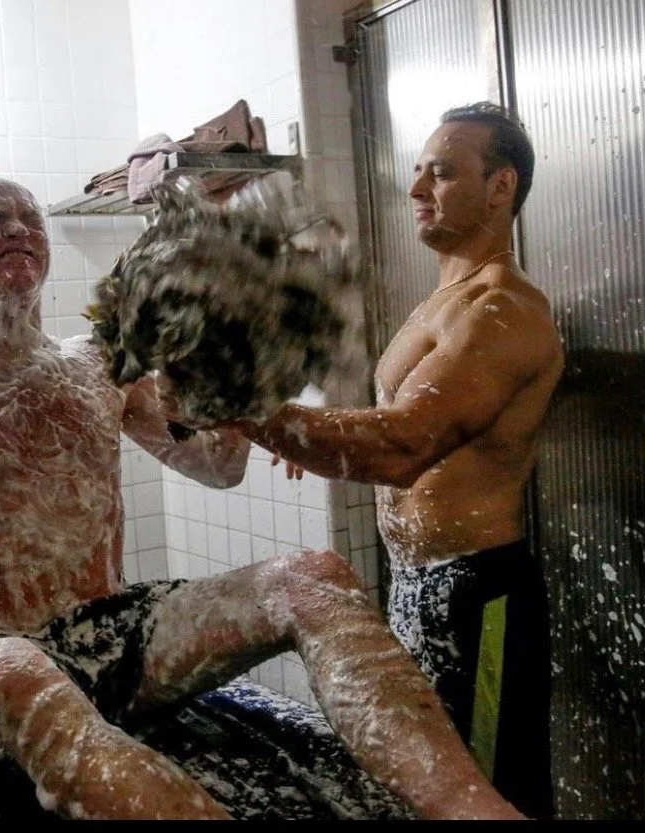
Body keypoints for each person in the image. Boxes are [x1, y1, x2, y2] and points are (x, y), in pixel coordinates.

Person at [0, 178, 523, 821]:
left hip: (114, 631)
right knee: (18, 671)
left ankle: (478, 812)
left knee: (313, 576)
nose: (15, 227)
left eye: (28, 217)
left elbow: (217, 468)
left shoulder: (101, 362)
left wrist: (243, 360)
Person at [185, 103, 563, 818]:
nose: (416, 189)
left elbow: (403, 444)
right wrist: (308, 437)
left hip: (477, 596)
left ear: (501, 186)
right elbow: (386, 426)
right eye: (418, 171)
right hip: (414, 585)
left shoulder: (503, 310)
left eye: (441, 173)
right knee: (425, 793)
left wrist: (251, 412)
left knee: (488, 798)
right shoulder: (439, 304)